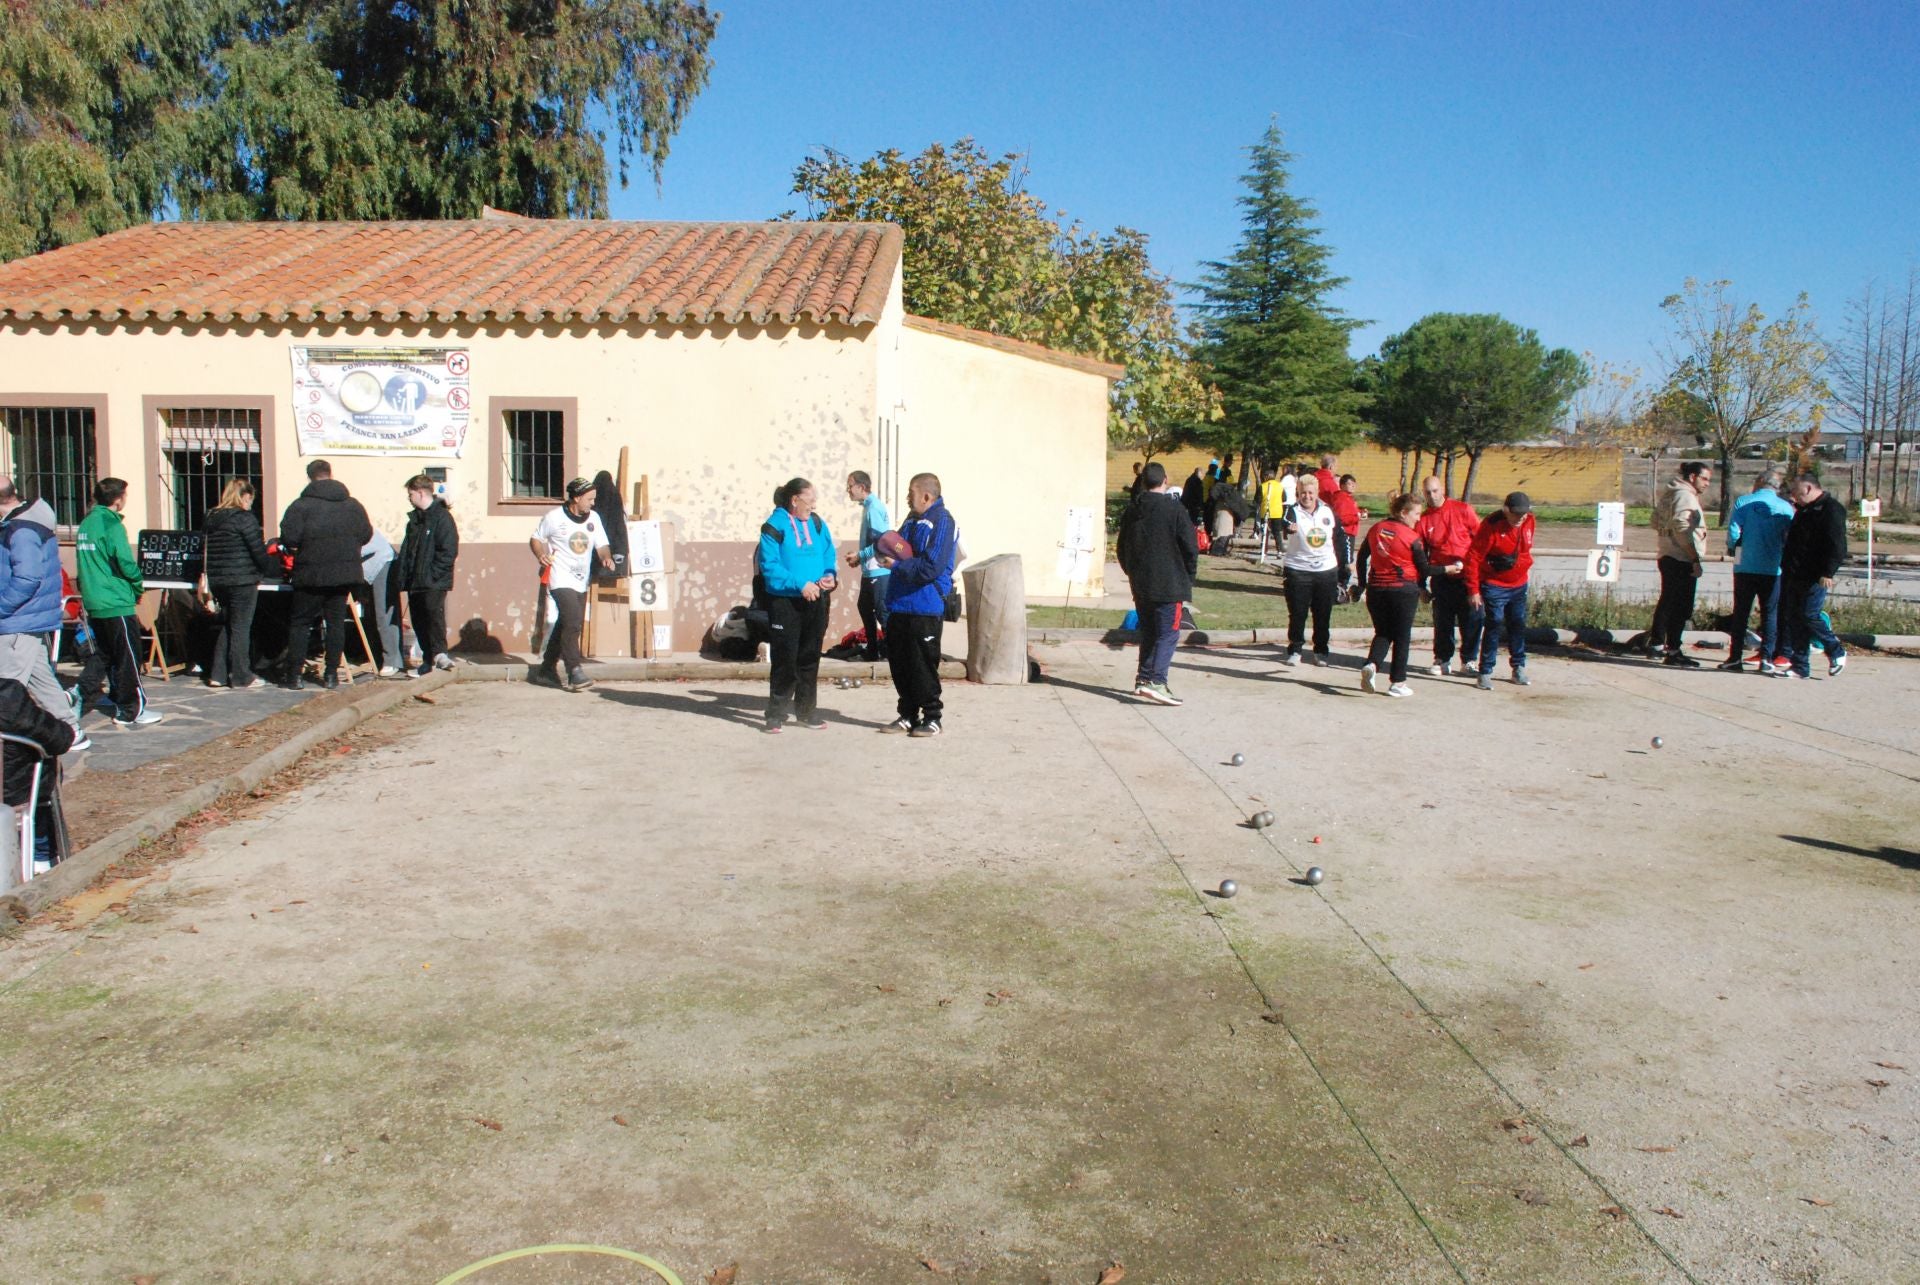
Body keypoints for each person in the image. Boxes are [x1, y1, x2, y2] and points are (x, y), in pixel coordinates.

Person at [0, 477, 84, 745]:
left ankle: (10, 743)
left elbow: (27, 579)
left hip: (17, 620)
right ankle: (72, 731)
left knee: (6, 687)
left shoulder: (21, 530)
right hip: (27, 619)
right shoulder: (25, 520)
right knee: (42, 681)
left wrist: (1, 606)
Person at [72, 477, 162, 725]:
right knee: (129, 656)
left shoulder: (86, 524)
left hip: (94, 599)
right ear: (118, 499)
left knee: (104, 655)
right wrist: (137, 584)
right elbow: (125, 562)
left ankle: (81, 692)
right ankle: (132, 709)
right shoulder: (111, 525)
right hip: (115, 600)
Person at [278, 460, 373, 690]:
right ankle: (331, 675)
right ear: (330, 474)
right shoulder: (353, 505)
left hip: (310, 573)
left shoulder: (300, 506)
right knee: (336, 623)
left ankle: (294, 676)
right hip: (343, 574)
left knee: (300, 624)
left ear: (310, 477)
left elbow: (289, 538)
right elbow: (366, 534)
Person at [756, 478, 837, 732]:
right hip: (785, 603)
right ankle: (776, 713)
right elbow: (770, 567)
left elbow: (828, 552)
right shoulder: (773, 527)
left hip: (817, 600)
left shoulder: (816, 523)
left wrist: (829, 574)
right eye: (809, 500)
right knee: (785, 659)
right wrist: (800, 584)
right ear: (794, 500)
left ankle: (806, 711)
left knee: (810, 657)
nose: (813, 505)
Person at [880, 472, 959, 737]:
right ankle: (907, 715)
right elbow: (895, 546)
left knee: (923, 666)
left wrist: (899, 565)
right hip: (900, 605)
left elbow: (931, 567)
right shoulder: (912, 519)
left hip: (925, 607)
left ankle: (932, 717)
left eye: (910, 493)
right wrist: (872, 552)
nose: (906, 498)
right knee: (901, 665)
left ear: (926, 495)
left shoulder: (943, 521)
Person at [1115, 462, 1198, 705]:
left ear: (1142, 483)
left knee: (1150, 632)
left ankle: (1143, 679)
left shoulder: (1133, 511)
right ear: (1165, 480)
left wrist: (1132, 572)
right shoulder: (1175, 510)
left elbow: (1122, 549)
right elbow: (1190, 548)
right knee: (1168, 634)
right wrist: (1188, 577)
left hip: (1141, 584)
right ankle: (1157, 681)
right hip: (1169, 584)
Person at [530, 476, 613, 692]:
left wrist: (606, 557)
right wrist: (541, 554)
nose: (592, 503)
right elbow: (536, 539)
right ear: (576, 498)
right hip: (560, 578)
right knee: (573, 621)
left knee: (565, 623)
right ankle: (574, 671)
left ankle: (547, 669)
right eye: (589, 499)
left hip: (580, 580)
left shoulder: (593, 518)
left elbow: (602, 544)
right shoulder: (554, 518)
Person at [200, 479, 277, 690]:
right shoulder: (244, 519)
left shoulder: (211, 518)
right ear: (244, 497)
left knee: (229, 624)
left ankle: (218, 673)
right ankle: (242, 675)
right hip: (242, 579)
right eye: (250, 499)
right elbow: (258, 551)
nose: (251, 503)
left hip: (218, 581)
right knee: (241, 627)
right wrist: (268, 569)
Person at [1355, 493, 1431, 698]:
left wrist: (1362, 584)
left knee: (1383, 632)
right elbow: (1424, 568)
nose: (1418, 518)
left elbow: (1361, 557)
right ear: (1403, 513)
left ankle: (1372, 664)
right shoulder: (1411, 537)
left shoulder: (1376, 528)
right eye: (1416, 514)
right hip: (1403, 590)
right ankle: (1398, 682)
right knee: (1402, 636)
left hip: (1376, 590)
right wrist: (1449, 568)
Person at [1776, 473, 1848, 680]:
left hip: (1815, 575)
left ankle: (1836, 650)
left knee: (1810, 614)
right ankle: (1800, 666)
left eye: (1796, 492)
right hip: (1794, 572)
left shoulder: (1831, 510)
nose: (1793, 497)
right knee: (1794, 618)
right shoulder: (1804, 510)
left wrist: (1828, 571)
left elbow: (1838, 545)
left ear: (1808, 488)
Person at [1722, 468, 1795, 674]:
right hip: (1773, 567)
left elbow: (1734, 532)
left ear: (1759, 482)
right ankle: (1767, 658)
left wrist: (1735, 555)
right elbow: (1788, 537)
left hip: (1745, 565)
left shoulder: (1743, 502)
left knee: (1741, 612)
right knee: (1769, 613)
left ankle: (1735, 657)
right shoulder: (1786, 508)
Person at [1466, 492, 1536, 690]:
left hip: (1519, 583)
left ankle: (1518, 666)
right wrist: (1473, 589)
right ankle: (1485, 671)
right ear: (1506, 510)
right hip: (1494, 584)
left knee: (1517, 624)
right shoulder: (1491, 525)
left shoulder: (1529, 521)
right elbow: (1473, 557)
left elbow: (1525, 550)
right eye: (1516, 515)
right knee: (1494, 624)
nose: (1520, 519)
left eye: (1523, 515)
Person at [1414, 476, 1481, 676]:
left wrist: (1479, 574)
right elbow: (1419, 556)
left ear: (1442, 489)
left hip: (1466, 576)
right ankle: (1442, 658)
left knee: (1471, 618)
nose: (1432, 496)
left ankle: (1469, 660)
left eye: (1435, 491)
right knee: (1443, 620)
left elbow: (1480, 539)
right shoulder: (1424, 520)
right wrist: (1421, 586)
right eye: (1427, 492)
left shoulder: (1463, 509)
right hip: (1442, 576)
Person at [1648, 460, 1713, 668]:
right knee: (1680, 607)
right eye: (1704, 478)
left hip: (1667, 554)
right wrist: (1693, 556)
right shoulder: (1685, 496)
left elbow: (1654, 520)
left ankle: (1657, 644)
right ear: (1692, 477)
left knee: (1667, 602)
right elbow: (1681, 525)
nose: (1707, 484)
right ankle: (1673, 650)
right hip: (1680, 557)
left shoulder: (1671, 493)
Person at [393, 474, 459, 677]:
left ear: (421, 492)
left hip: (433, 581)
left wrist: (433, 575)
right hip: (415, 581)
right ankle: (427, 661)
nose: (409, 498)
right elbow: (408, 551)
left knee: (433, 615)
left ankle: (440, 654)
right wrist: (403, 576)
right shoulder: (414, 521)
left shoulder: (442, 517)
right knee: (419, 620)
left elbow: (448, 551)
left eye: (410, 494)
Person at [1277, 473, 1344, 667]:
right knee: (1298, 613)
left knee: (1323, 613)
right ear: (1297, 494)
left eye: (1310, 492)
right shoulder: (1291, 511)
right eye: (1302, 493)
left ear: (1317, 493)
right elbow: (1284, 522)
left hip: (1326, 570)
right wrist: (1289, 527)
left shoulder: (1327, 511)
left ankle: (1321, 651)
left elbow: (1339, 537)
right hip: (1298, 570)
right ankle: (1295, 649)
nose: (1307, 496)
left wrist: (1344, 565)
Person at [844, 471, 891, 661]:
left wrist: (860, 555)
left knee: (882, 612)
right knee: (864, 606)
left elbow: (881, 541)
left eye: (850, 486)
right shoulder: (868, 506)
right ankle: (873, 649)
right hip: (870, 569)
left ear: (861, 487)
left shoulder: (873, 508)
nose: (848, 490)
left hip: (878, 570)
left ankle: (892, 651)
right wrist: (860, 559)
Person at [356, 528, 399, 674]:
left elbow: (356, 550)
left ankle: (391, 661)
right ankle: (378, 658)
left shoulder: (351, 519)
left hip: (382, 564)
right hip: (368, 570)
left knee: (383, 613)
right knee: (373, 614)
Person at [1326, 473, 1363, 593]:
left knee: (1345, 559)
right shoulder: (1341, 498)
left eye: (1354, 484)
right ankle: (1341, 586)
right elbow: (1341, 518)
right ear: (1342, 485)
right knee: (1346, 561)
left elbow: (1351, 512)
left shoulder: (1348, 498)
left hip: (1350, 532)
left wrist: (1359, 512)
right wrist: (1356, 517)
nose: (1352, 486)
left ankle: (1340, 585)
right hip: (1345, 533)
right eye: (1349, 484)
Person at [1208, 472, 1249, 554]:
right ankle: (1219, 551)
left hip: (1220, 515)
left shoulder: (1218, 492)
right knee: (1224, 534)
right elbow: (1239, 509)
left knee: (1219, 533)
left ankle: (1217, 550)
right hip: (1227, 517)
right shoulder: (1231, 494)